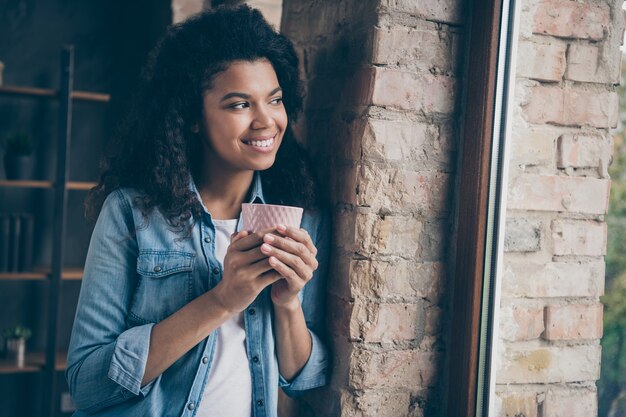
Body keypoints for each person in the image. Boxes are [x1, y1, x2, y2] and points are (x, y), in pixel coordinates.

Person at [65, 5, 331, 417]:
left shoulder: (301, 218)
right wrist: (223, 300)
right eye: (240, 104)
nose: (266, 121)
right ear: (192, 116)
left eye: (274, 100)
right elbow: (87, 385)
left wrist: (289, 303)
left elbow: (303, 378)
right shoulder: (132, 213)